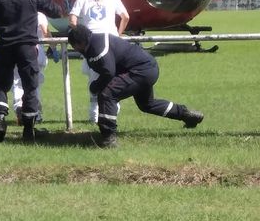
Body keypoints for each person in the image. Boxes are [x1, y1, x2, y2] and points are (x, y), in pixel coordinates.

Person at [68, 24, 204, 148]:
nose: (75, 49)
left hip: (140, 71)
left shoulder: (97, 47)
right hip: (147, 67)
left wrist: (95, 86)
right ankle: (188, 115)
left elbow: (108, 72)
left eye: (74, 46)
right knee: (147, 104)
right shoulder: (96, 41)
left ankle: (109, 137)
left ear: (80, 43)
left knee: (107, 94)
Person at [0, 0, 62, 143]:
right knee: (30, 86)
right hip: (27, 47)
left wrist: (4, 33)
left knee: (1, 84)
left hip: (4, 46)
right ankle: (29, 129)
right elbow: (56, 11)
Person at [69, 0, 129, 124]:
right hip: (112, 42)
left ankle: (94, 115)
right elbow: (125, 17)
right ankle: (112, 113)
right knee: (114, 79)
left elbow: (73, 20)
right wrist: (119, 34)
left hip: (92, 44)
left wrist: (80, 35)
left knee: (95, 80)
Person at [12, 12, 60, 124]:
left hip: (17, 51)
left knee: (17, 82)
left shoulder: (16, 13)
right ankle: (36, 114)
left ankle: (19, 106)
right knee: (34, 85)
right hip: (36, 53)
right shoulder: (39, 15)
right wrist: (53, 49)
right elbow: (45, 31)